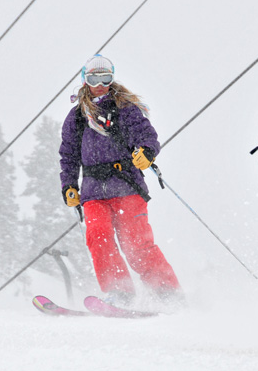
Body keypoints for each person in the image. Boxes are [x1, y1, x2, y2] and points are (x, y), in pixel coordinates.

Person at [59, 54, 181, 307]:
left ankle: (168, 293)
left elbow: (145, 134)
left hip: (127, 186)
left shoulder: (125, 109)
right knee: (98, 237)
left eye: (106, 77)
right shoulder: (77, 117)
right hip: (93, 191)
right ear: (85, 81)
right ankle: (120, 292)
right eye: (94, 77)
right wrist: (69, 185)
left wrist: (146, 152)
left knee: (137, 244)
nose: (101, 83)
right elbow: (68, 154)